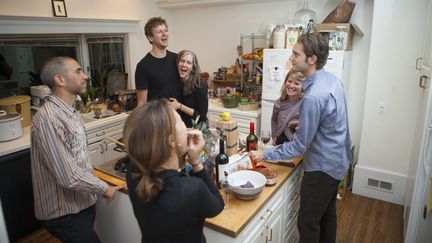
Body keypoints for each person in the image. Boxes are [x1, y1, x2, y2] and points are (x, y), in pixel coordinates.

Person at [251, 33, 352, 243]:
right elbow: (337, 123)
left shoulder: (313, 96)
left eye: (296, 53)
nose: (292, 56)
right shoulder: (332, 81)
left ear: (312, 59)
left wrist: (264, 153)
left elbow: (298, 146)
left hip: (321, 168)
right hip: (337, 161)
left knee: (307, 223)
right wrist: (306, 124)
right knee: (327, 217)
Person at [31, 56, 120, 243]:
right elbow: (67, 175)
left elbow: (78, 158)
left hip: (80, 204)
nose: (85, 76)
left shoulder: (69, 112)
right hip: (64, 213)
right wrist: (104, 187)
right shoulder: (49, 119)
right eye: (78, 71)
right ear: (60, 79)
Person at [124, 99, 224, 243]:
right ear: (172, 140)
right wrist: (196, 162)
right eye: (181, 122)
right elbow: (217, 206)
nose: (186, 127)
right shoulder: (191, 189)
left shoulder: (134, 172)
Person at [135, 16, 181, 108]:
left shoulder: (176, 58)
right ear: (150, 37)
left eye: (166, 30)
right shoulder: (143, 66)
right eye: (159, 32)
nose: (165, 34)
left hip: (178, 117)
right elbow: (142, 104)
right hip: (158, 120)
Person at [169, 50, 208, 127]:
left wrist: (179, 106)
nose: (184, 64)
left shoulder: (200, 85)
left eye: (188, 62)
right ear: (177, 63)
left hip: (194, 129)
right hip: (179, 127)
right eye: (182, 61)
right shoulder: (176, 82)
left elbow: (201, 117)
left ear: (193, 68)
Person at [271, 70, 304, 145]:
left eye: (296, 83)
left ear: (303, 87)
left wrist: (300, 123)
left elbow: (311, 126)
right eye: (289, 81)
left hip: (296, 144)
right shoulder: (278, 103)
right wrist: (274, 135)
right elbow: (274, 119)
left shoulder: (305, 103)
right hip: (280, 142)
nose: (291, 86)